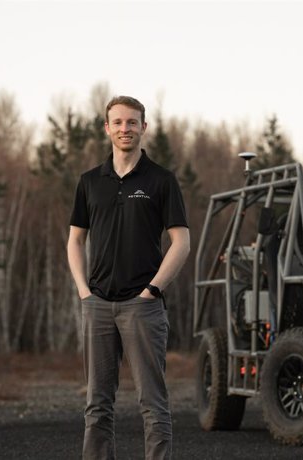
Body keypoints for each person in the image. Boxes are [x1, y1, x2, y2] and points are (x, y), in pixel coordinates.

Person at [67, 95, 190, 460]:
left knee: (153, 405)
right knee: (97, 406)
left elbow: (181, 243)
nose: (125, 129)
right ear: (107, 128)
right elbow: (75, 239)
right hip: (98, 306)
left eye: (132, 122)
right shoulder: (90, 181)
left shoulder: (161, 181)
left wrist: (152, 290)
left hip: (143, 307)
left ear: (144, 128)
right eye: (118, 122)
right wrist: (84, 292)